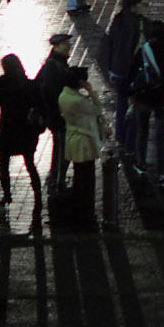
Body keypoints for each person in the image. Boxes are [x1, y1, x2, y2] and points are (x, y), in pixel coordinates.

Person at [0, 54, 44, 222]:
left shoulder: (1, 85)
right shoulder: (29, 85)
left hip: (7, 131)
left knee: (4, 165)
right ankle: (38, 195)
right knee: (30, 163)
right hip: (26, 133)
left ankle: (7, 195)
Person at [59, 67, 108, 227]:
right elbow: (97, 109)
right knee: (87, 179)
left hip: (73, 139)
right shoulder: (78, 100)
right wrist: (92, 92)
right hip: (84, 142)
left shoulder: (64, 95)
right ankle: (86, 214)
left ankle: (79, 212)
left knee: (79, 177)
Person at [130, 19, 164, 180]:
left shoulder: (143, 51)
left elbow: (132, 74)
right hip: (162, 99)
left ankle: (141, 164)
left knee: (142, 132)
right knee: (161, 138)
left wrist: (131, 95)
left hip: (143, 98)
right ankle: (162, 173)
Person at [36, 33, 75, 197]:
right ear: (57, 46)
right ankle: (57, 183)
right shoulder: (54, 66)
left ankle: (57, 180)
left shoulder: (59, 63)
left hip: (61, 115)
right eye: (65, 44)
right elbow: (52, 92)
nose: (69, 46)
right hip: (58, 117)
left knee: (63, 149)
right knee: (61, 151)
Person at [105, 0, 144, 152]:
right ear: (134, 5)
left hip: (116, 70)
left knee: (121, 103)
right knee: (134, 105)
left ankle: (120, 137)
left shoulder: (117, 19)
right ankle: (130, 144)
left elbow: (109, 44)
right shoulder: (139, 23)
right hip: (131, 71)